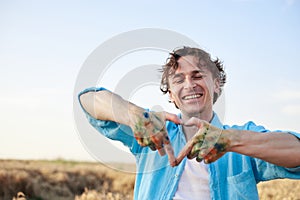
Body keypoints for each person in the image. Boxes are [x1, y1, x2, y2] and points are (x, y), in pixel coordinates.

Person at [78, 46, 300, 199]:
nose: (189, 85)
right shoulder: (150, 131)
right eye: (178, 79)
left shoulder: (243, 139)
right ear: (171, 95)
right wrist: (132, 114)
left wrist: (230, 140)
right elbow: (88, 100)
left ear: (216, 85)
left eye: (197, 76)